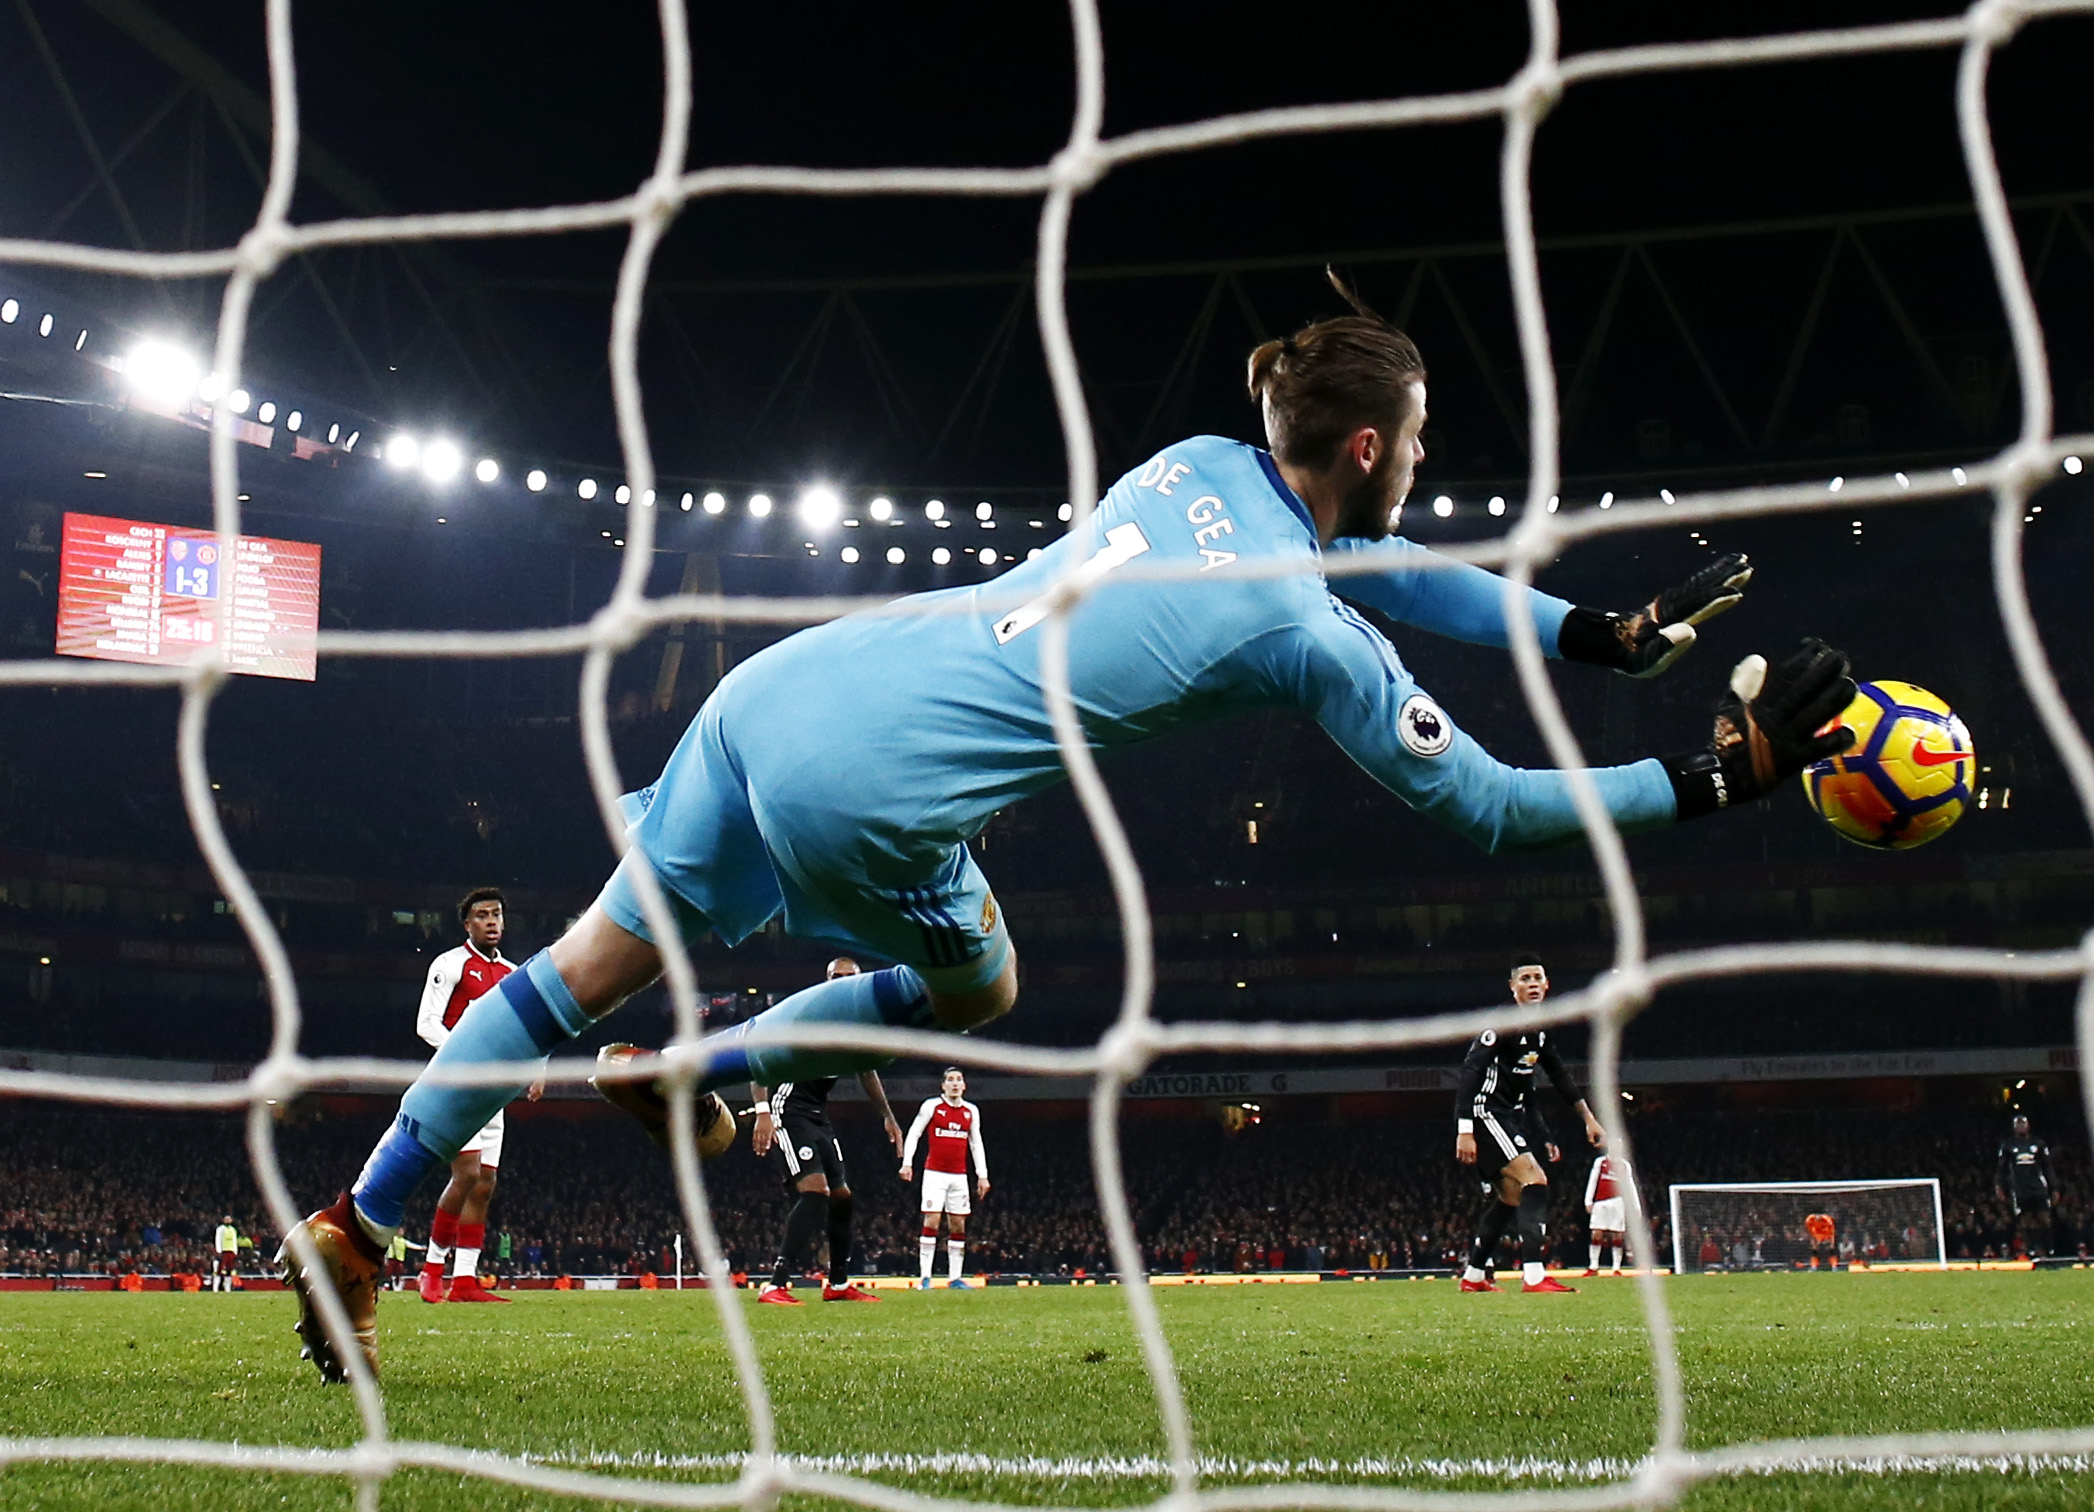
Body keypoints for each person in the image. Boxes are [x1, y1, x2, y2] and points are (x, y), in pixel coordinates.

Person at [278, 269, 1855, 1382]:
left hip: (795, 684)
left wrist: (1593, 636)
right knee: (982, 993)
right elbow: (1503, 812)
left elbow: (1404, 570)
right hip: (878, 800)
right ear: (1368, 447)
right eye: (1420, 442)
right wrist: (1716, 776)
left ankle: (365, 1220)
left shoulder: (1198, 463)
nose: (1425, 466)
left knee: (559, 984)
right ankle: (713, 1071)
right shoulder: (1302, 632)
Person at [751, 957, 904, 1305]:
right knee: (815, 1193)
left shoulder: (857, 1025)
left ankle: (837, 1284)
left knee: (842, 1198)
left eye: (849, 977)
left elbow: (867, 1071)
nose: (842, 981)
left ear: (859, 980)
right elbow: (759, 1054)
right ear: (826, 979)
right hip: (787, 1109)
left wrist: (888, 1116)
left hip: (817, 1115)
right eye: (836, 976)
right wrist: (762, 1111)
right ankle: (775, 1284)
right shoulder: (808, 1011)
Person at [412, 889, 540, 1305]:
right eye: (482, 915)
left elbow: (529, 1027)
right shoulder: (449, 965)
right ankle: (431, 1269)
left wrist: (534, 1069)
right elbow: (426, 1023)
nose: (491, 922)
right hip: (456, 1084)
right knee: (465, 1174)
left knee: (485, 1182)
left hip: (493, 1090)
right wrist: (463, 1056)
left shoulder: (513, 973)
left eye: (497, 915)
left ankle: (464, 1280)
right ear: (466, 924)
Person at [1454, 955, 1605, 1295]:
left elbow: (1558, 1075)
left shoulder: (1541, 1027)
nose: (1533, 983)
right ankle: (1535, 1276)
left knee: (1509, 1197)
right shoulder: (1502, 1024)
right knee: (1534, 1180)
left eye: (1538, 977)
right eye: (1525, 978)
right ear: (1513, 987)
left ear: (1548, 984)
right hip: (1485, 1112)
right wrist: (1464, 1129)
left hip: (1507, 1116)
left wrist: (1589, 1118)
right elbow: (1471, 1072)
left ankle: (1474, 1276)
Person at [900, 1066, 991, 1288]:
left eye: (958, 1079)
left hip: (959, 1176)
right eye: (950, 1080)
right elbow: (915, 1132)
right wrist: (907, 1163)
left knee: (958, 1224)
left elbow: (975, 1143)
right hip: (934, 1173)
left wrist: (983, 1175)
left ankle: (955, 1278)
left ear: (964, 1085)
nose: (954, 1083)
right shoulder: (932, 1106)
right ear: (943, 1085)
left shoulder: (971, 1111)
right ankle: (925, 1278)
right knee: (931, 1220)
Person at [1997, 1114, 2057, 1262]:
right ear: (2014, 1127)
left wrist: (2054, 1187)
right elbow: (2001, 1168)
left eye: (2023, 1124)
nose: (2021, 1127)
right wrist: (1999, 1186)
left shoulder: (2038, 1144)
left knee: (2044, 1218)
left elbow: (2048, 1167)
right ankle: (2031, 1249)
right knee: (2025, 1220)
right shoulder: (2008, 1145)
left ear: (2028, 1126)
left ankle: (2049, 1249)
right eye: (2018, 1124)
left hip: (2037, 1186)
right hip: (2020, 1188)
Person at [1581, 1152, 1631, 1276]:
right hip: (1600, 1201)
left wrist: (1635, 1206)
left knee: (1617, 1235)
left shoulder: (1625, 1164)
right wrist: (1588, 1200)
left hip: (1618, 1201)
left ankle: (1616, 1268)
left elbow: (1630, 1185)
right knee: (1596, 1232)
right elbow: (1593, 1180)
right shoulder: (1600, 1162)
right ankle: (1593, 1266)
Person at [211, 1214, 238, 1294]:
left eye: (229, 1219)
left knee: (229, 1270)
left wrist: (235, 1250)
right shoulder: (220, 1229)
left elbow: (234, 1240)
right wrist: (218, 1250)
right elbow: (218, 1239)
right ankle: (215, 1288)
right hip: (223, 1251)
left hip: (231, 1251)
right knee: (219, 1270)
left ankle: (228, 1288)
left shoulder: (233, 1229)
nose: (227, 1221)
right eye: (226, 1219)